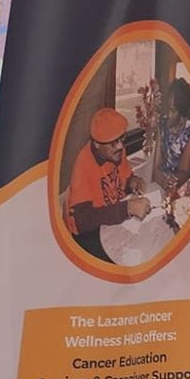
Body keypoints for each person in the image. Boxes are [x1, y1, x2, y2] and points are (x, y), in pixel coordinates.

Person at [60, 103, 142, 261]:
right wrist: (127, 208)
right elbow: (83, 220)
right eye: (113, 143)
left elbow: (124, 179)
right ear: (97, 144)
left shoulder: (117, 150)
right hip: (88, 234)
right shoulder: (83, 164)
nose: (120, 146)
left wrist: (133, 182)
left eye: (121, 139)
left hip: (110, 219)